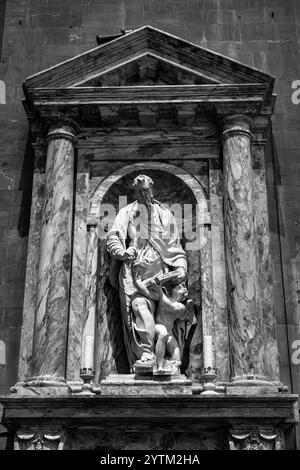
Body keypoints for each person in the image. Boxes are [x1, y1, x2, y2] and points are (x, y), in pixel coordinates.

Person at [106, 174, 187, 373]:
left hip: (162, 277)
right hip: (135, 274)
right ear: (136, 192)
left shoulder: (165, 215)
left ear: (152, 190)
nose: (145, 194)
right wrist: (123, 252)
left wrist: (181, 267)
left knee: (162, 322)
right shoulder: (127, 213)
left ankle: (166, 359)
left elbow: (175, 248)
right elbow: (113, 237)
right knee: (139, 306)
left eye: (147, 190)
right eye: (141, 191)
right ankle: (146, 354)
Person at [148, 277, 195, 375]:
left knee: (176, 349)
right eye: (179, 287)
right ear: (171, 290)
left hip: (169, 331)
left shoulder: (180, 306)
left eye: (183, 287)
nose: (182, 288)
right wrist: (137, 280)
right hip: (157, 326)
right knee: (163, 333)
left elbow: (169, 306)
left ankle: (175, 369)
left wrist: (159, 291)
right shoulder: (163, 298)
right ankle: (159, 365)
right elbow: (146, 293)